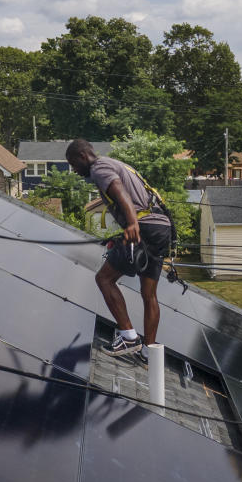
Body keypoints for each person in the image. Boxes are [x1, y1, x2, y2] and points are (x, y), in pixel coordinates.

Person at [66, 139, 173, 364]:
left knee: (104, 279)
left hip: (144, 227)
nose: (73, 170)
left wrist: (132, 224)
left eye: (73, 164)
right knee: (149, 294)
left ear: (83, 156)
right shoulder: (116, 163)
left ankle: (128, 337)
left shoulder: (99, 168)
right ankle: (149, 352)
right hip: (161, 228)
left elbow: (120, 191)